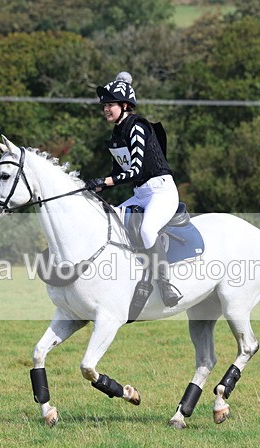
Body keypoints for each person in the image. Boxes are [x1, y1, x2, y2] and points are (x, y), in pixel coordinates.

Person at [89, 72, 182, 307]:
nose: (106, 109)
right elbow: (117, 171)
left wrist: (105, 182)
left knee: (148, 230)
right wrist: (95, 187)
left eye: (110, 104)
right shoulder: (117, 134)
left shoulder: (137, 127)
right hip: (140, 194)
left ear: (125, 105)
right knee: (108, 222)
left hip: (161, 192)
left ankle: (164, 283)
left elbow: (136, 171)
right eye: (104, 105)